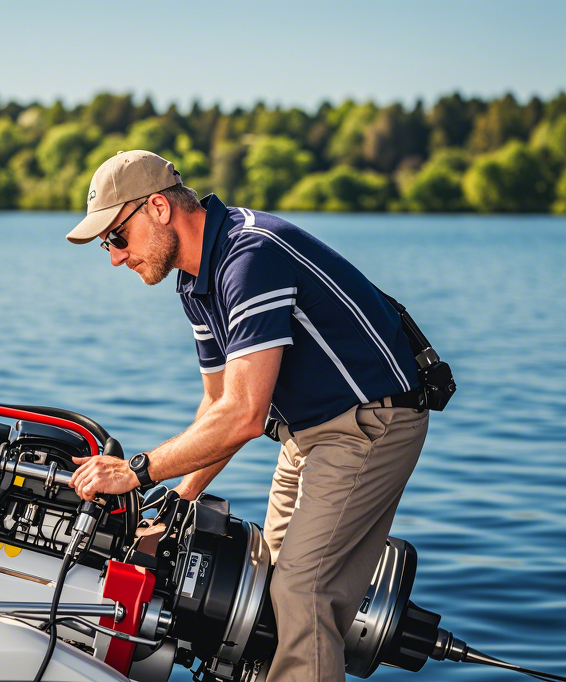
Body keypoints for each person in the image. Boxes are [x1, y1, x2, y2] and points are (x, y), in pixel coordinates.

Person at [65, 150, 429, 682]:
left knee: (303, 592)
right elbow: (218, 405)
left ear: (159, 209)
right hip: (308, 435)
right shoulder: (196, 282)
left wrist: (137, 472)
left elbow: (243, 415)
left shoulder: (247, 257)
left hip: (369, 426)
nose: (116, 258)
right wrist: (174, 506)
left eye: (116, 238)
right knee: (265, 591)